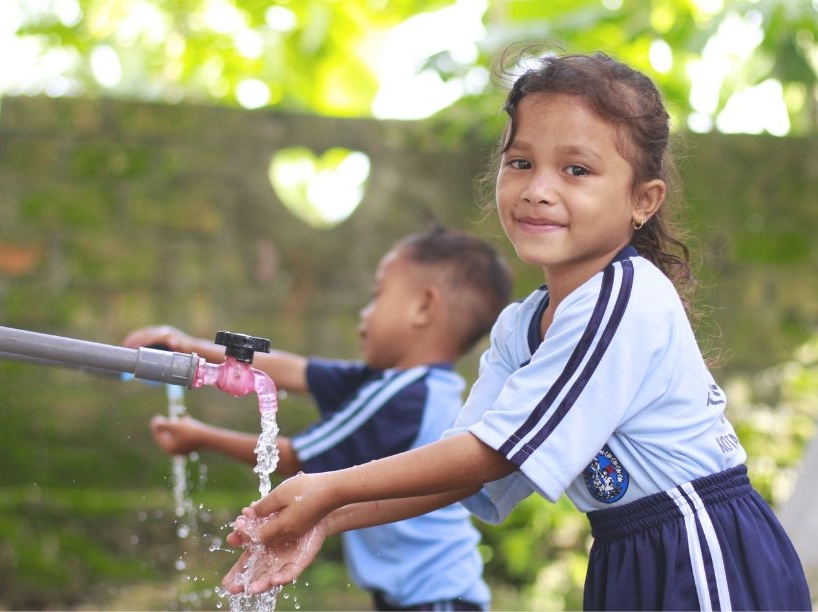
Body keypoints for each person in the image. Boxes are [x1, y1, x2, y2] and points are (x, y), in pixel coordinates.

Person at [219, 49, 813, 611]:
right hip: (622, 553)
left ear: (642, 200)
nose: (538, 189)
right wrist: (328, 518)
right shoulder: (521, 326)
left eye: (576, 169)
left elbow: (490, 452)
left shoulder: (625, 297)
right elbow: (460, 464)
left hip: (700, 550)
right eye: (520, 163)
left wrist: (331, 488)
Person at [122, 224, 513, 611]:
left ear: (424, 307)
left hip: (432, 599)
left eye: (376, 297)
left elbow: (295, 457)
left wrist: (200, 436)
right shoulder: (409, 384)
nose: (364, 313)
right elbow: (297, 371)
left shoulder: (402, 399)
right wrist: (187, 347)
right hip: (425, 593)